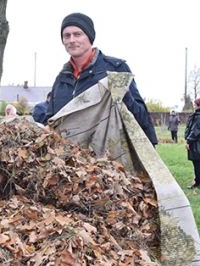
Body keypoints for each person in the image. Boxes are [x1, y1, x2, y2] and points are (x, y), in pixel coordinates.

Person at [44, 13, 158, 146]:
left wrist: (124, 96)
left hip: (110, 158)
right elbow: (50, 122)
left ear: (90, 37)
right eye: (66, 36)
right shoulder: (61, 80)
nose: (72, 40)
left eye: (78, 34)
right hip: (72, 160)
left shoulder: (115, 69)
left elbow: (141, 118)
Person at [185, 98, 200, 189]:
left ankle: (198, 183)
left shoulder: (198, 116)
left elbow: (195, 131)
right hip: (197, 142)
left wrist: (188, 141)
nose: (193, 106)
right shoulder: (196, 115)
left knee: (197, 163)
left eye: (195, 105)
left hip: (196, 143)